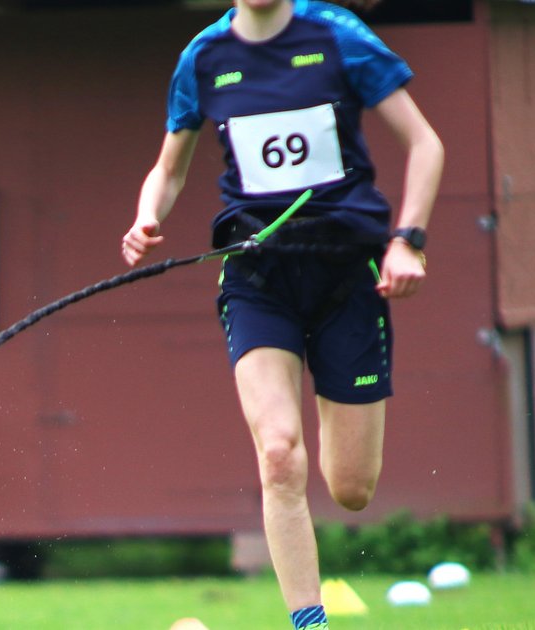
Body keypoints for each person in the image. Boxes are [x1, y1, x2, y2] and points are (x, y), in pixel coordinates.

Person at [119, 1, 444, 629]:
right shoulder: (204, 57)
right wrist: (146, 216)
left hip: (347, 278)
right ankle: (308, 621)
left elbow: (426, 143)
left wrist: (408, 239)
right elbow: (168, 169)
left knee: (351, 488)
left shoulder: (338, 36)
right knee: (278, 453)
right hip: (257, 280)